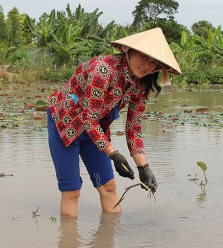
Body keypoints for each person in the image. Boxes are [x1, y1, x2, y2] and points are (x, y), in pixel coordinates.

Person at [46, 27, 182, 217]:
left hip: (96, 130)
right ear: (129, 50)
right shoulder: (102, 70)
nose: (147, 66)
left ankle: (111, 237)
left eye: (154, 63)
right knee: (72, 191)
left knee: (108, 187)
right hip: (65, 123)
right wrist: (113, 154)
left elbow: (133, 127)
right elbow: (89, 118)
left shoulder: (142, 85)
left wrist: (144, 167)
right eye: (144, 57)